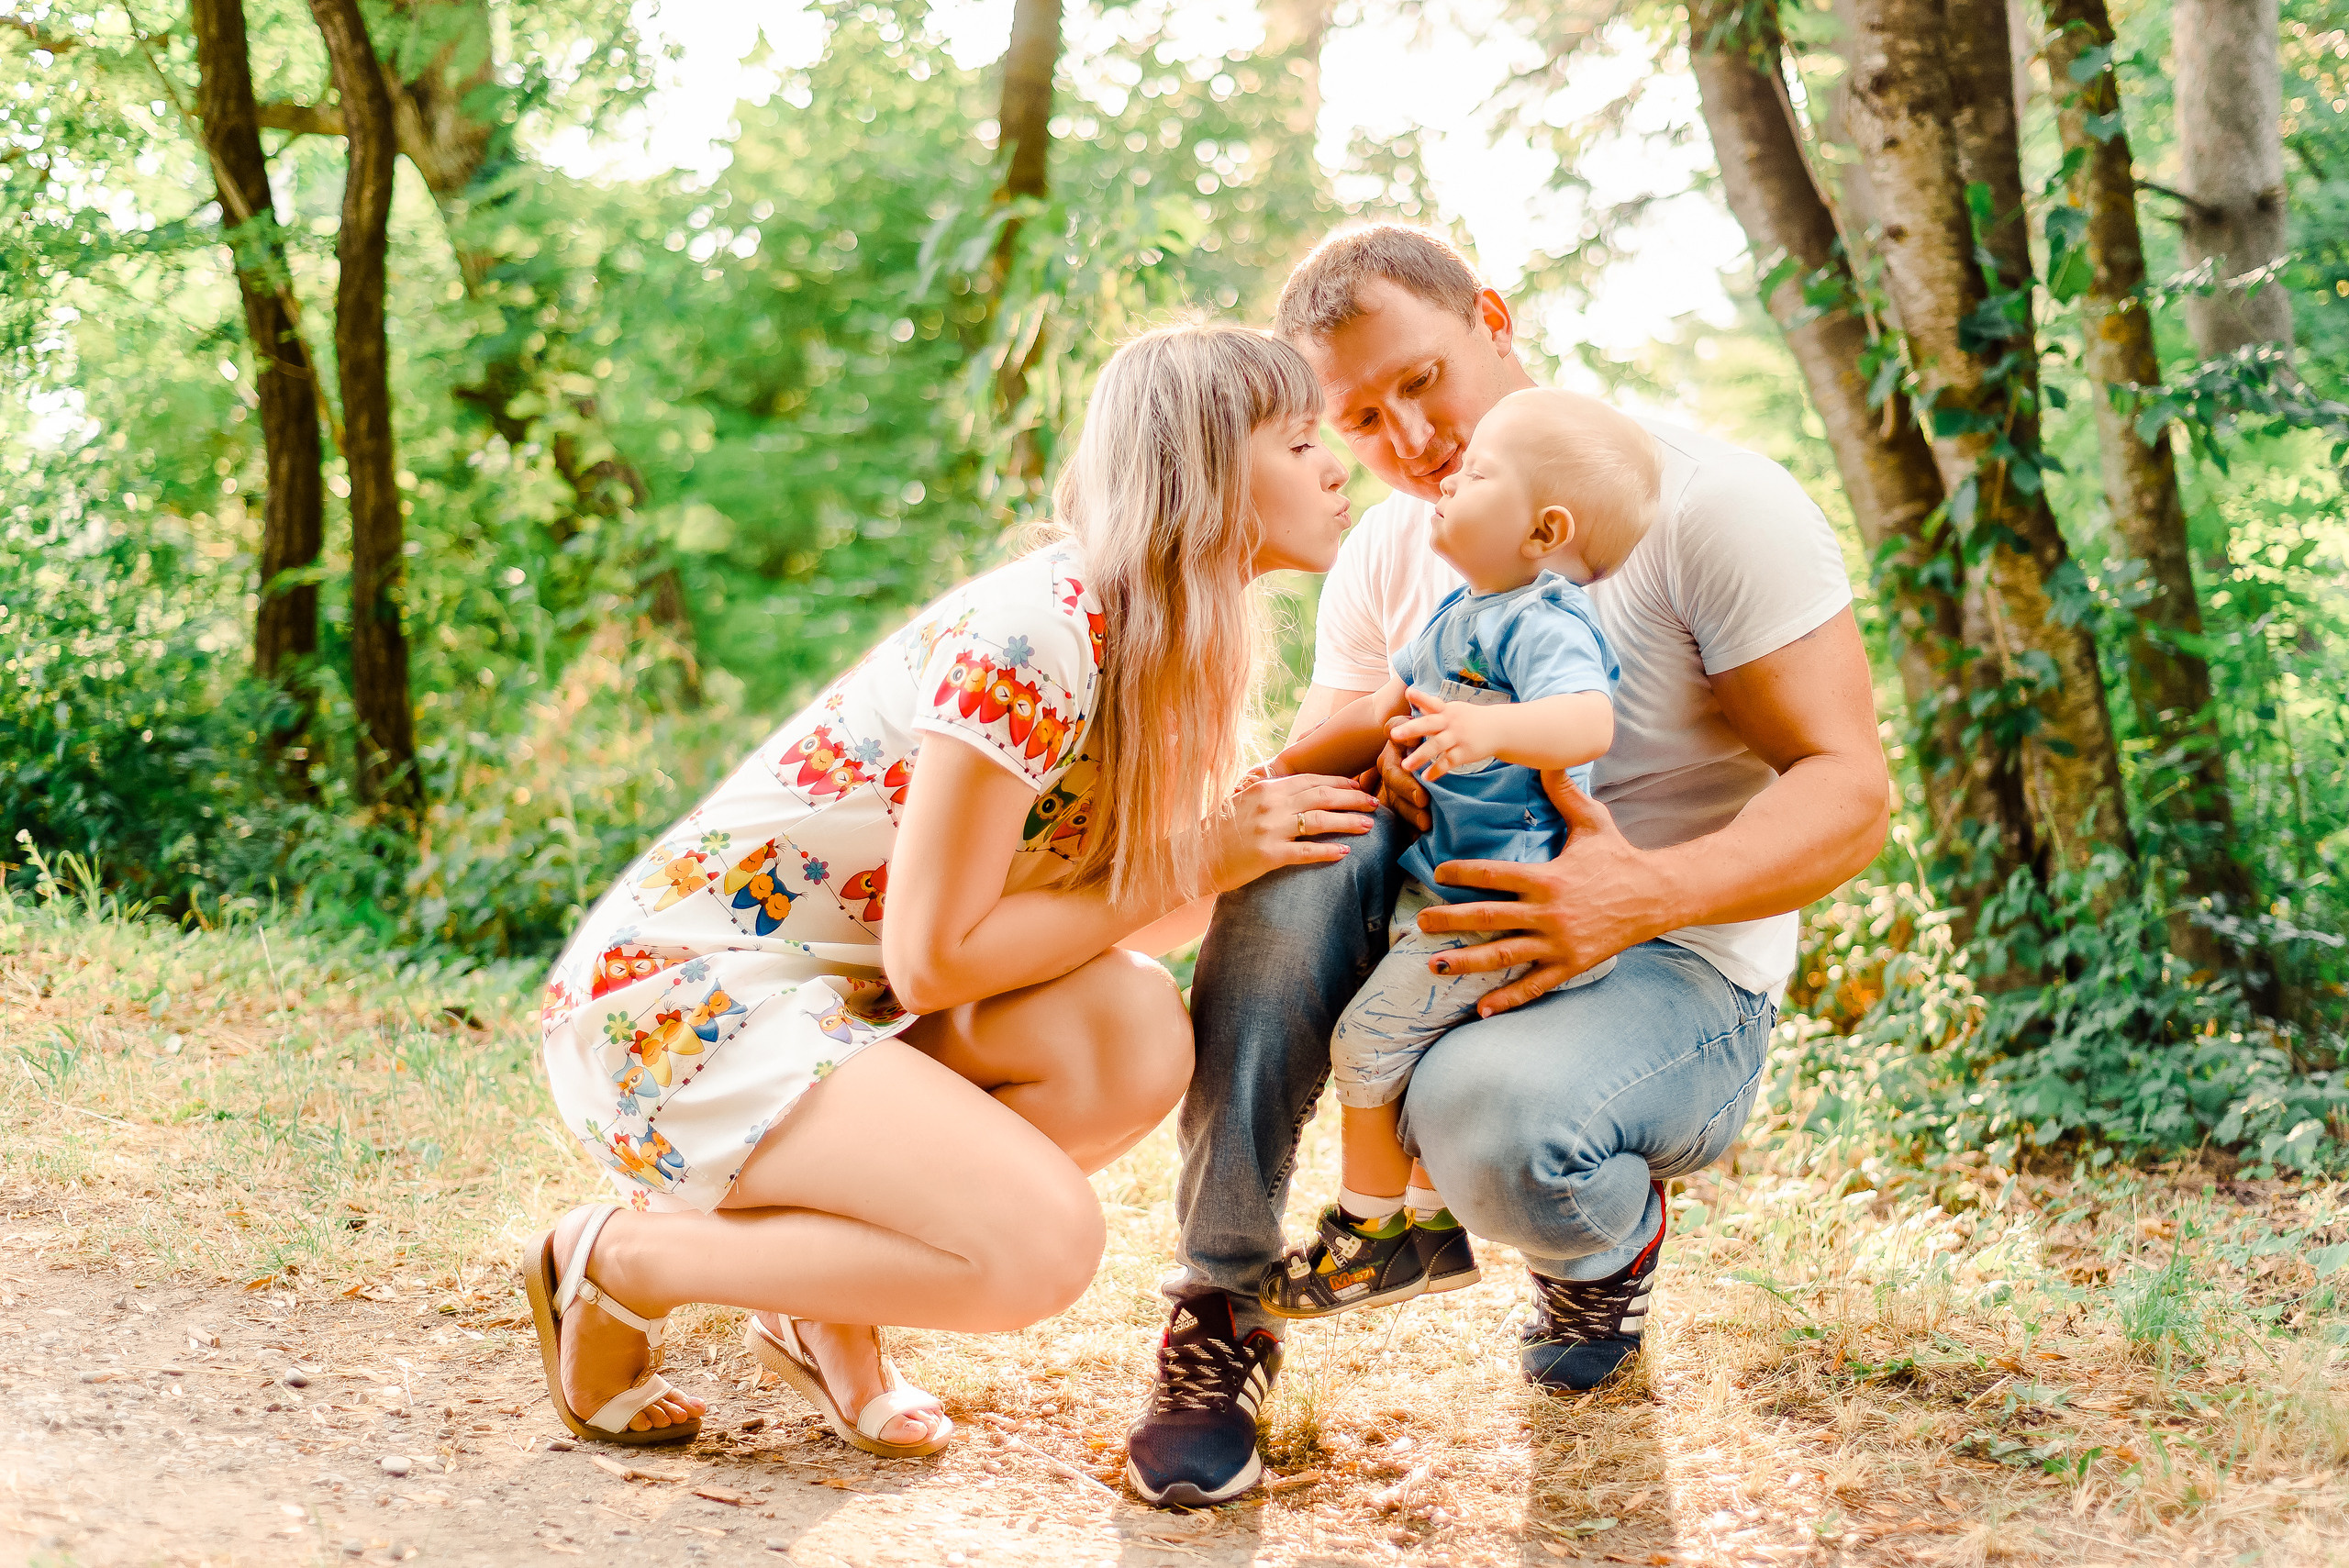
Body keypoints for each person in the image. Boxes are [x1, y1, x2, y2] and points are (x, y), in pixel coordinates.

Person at [1124, 227, 1890, 1509]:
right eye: (1361, 420)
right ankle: (1222, 1300)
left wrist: (1643, 893)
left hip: (1676, 956)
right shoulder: (1394, 549)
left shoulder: (1711, 507)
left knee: (1487, 1124)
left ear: (1492, 317)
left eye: (1422, 381)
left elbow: (1851, 793)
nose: (1412, 440)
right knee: (1294, 857)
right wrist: (1374, 766)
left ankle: (1601, 1243)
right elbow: (1323, 781)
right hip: (1455, 909)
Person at [524, 323, 1379, 1455]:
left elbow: (1147, 917)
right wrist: (1201, 852)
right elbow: (934, 959)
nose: (1337, 467)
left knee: (1128, 1028)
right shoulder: (1038, 632)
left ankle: (815, 1303)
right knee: (1037, 1251)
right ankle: (622, 1258)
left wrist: (1285, 804)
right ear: (1207, 471)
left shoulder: (1169, 649)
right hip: (674, 1013)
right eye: (1302, 441)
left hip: (830, 1018)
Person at [1253, 388, 1653, 1321]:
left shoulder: (1543, 619)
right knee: (1415, 1045)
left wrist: (1488, 730)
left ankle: (1370, 1238)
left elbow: (1587, 719)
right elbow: (1376, 709)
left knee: (1365, 1042)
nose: (1445, 483)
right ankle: (1432, 1228)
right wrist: (1272, 772)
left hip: (1498, 904)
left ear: (1543, 530)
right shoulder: (1458, 611)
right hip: (1436, 887)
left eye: (1476, 475)